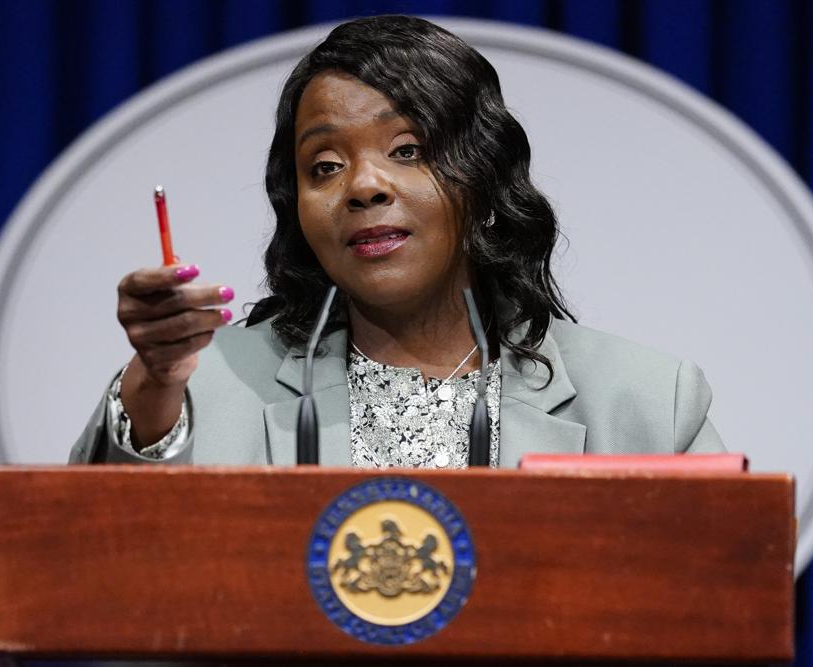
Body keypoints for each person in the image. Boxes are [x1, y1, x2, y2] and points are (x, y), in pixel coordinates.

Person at [70, 15, 724, 467]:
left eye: (407, 149)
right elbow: (93, 555)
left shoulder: (646, 402)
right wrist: (155, 384)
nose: (363, 185)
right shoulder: (204, 386)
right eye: (323, 165)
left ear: (484, 173)